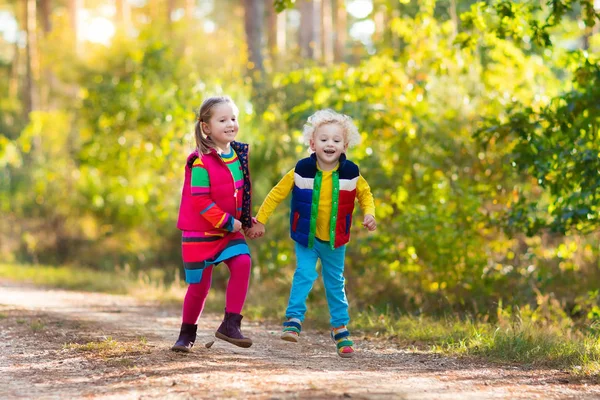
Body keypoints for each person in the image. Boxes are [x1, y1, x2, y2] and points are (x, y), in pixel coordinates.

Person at [247, 109, 376, 358]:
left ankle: (340, 328)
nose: (330, 144)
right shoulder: (301, 170)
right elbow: (276, 193)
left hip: (335, 240)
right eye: (324, 139)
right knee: (304, 274)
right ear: (312, 143)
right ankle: (293, 320)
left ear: (345, 145)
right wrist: (260, 220)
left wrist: (369, 213)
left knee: (335, 283)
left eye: (336, 140)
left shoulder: (351, 172)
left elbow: (365, 194)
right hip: (306, 236)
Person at [171, 95, 254, 352]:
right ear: (206, 127)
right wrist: (230, 222)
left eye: (233, 118)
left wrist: (247, 221)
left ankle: (231, 323)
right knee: (199, 288)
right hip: (200, 232)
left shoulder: (238, 154)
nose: (230, 124)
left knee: (243, 262)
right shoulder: (200, 160)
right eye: (222, 120)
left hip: (229, 231)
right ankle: (186, 334)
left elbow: (243, 191)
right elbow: (200, 200)